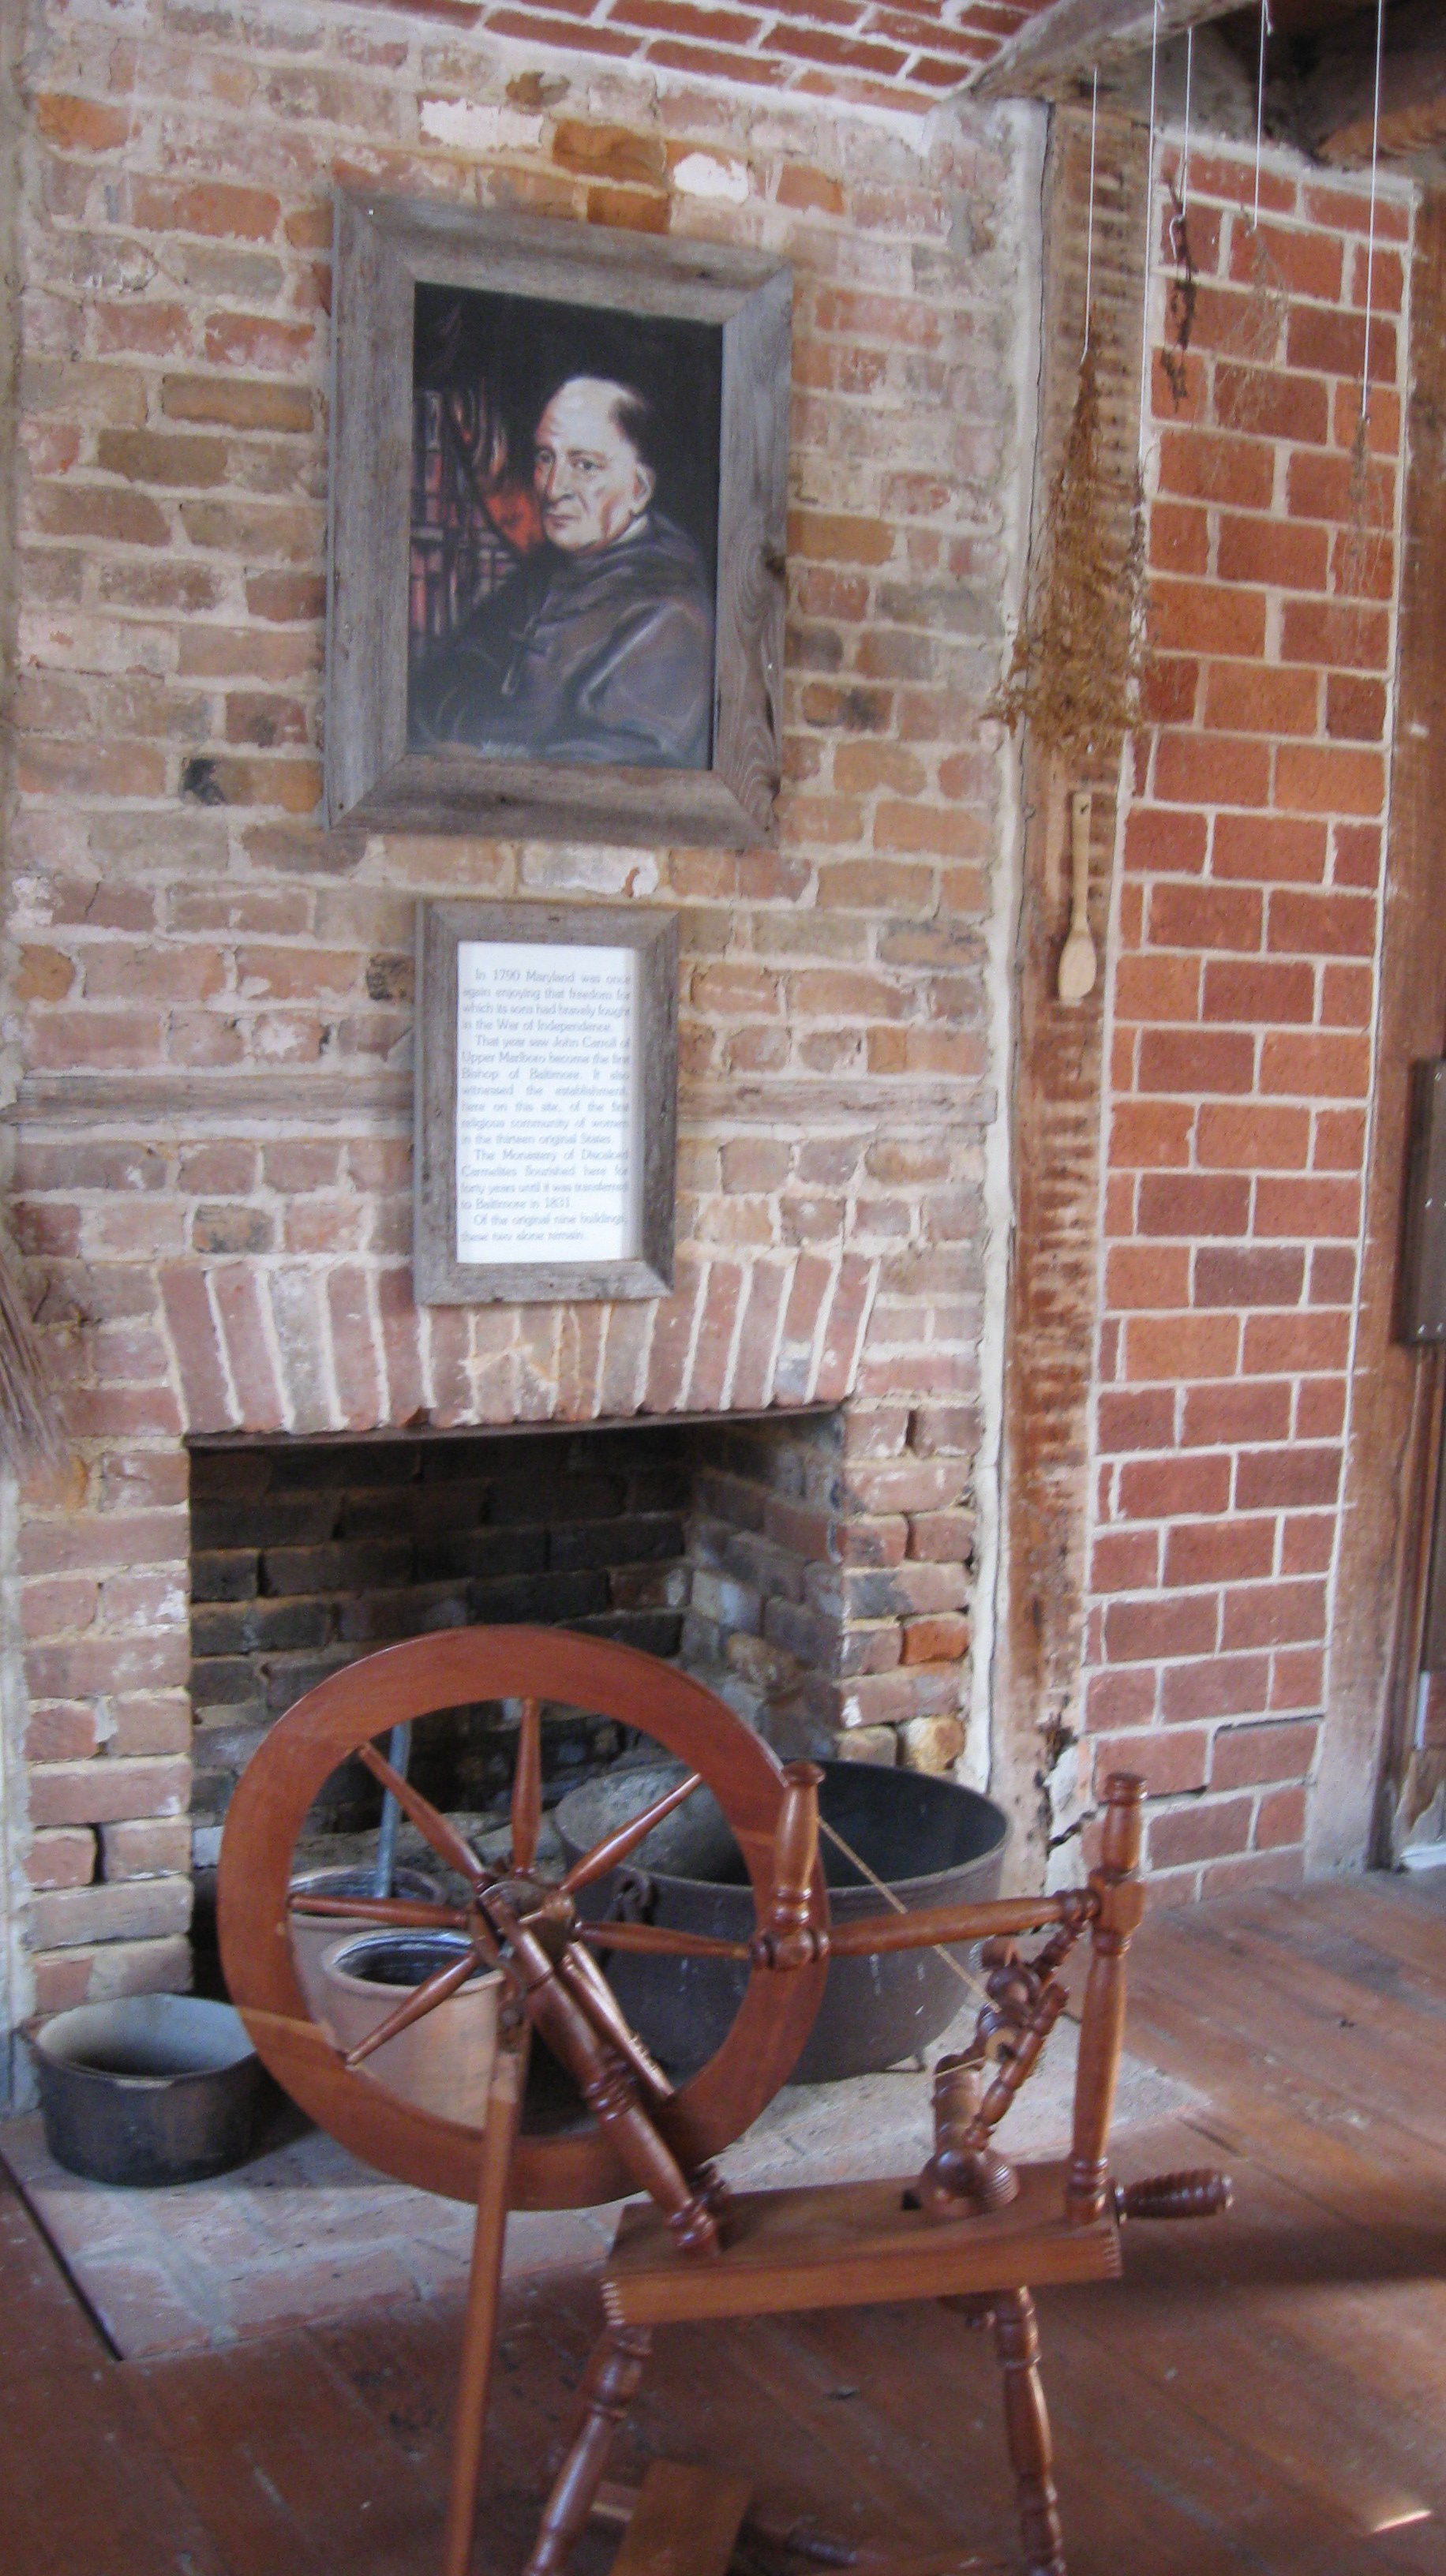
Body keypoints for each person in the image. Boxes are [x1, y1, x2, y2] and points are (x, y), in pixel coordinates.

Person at [410, 373, 714, 769]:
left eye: (584, 466)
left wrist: (481, 757)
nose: (554, 489)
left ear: (638, 489)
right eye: (545, 458)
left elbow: (620, 771)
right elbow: (434, 691)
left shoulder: (672, 616)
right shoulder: (544, 573)